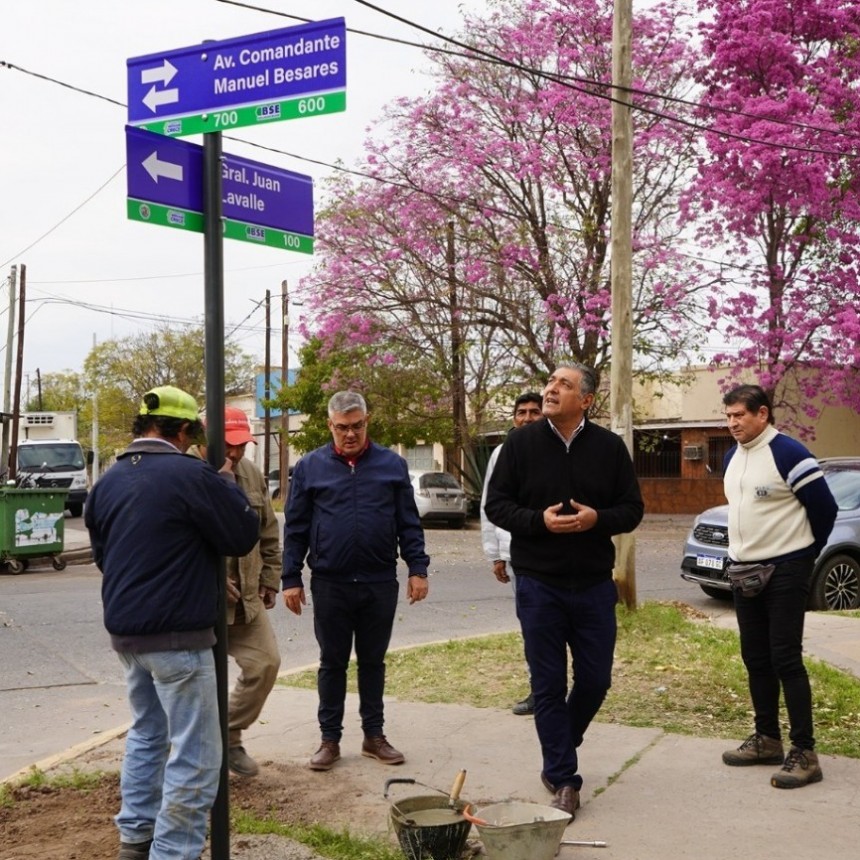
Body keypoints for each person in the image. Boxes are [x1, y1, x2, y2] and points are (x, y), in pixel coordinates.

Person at [85, 386, 260, 860]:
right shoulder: (191, 474)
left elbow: (110, 556)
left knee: (147, 735)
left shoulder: (110, 479)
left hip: (128, 636)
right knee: (198, 759)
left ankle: (135, 841)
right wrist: (224, 481)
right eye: (191, 436)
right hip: (178, 641)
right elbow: (241, 535)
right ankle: (172, 854)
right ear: (183, 431)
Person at [485, 363, 644, 819]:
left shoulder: (609, 448)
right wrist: (540, 522)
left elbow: (632, 509)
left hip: (594, 584)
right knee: (548, 684)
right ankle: (564, 777)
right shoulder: (520, 443)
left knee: (596, 679)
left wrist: (599, 519)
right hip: (539, 584)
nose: (551, 390)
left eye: (564, 385)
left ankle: (560, 739)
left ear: (586, 400)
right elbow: (497, 504)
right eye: (551, 382)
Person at [282, 390, 430, 772]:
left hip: (379, 581)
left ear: (368, 422)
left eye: (358, 426)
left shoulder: (391, 466)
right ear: (330, 425)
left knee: (373, 662)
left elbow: (408, 522)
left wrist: (417, 569)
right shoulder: (310, 467)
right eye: (343, 427)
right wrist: (291, 577)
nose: (351, 434)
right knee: (332, 663)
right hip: (330, 583)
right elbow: (296, 528)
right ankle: (329, 739)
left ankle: (373, 736)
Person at [719, 384, 837, 789]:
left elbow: (825, 509)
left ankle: (805, 753)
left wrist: (804, 555)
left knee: (785, 657)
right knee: (755, 657)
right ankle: (767, 739)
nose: (733, 423)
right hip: (743, 571)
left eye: (740, 415)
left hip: (787, 568)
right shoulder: (732, 456)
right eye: (729, 416)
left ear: (763, 414)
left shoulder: (789, 453)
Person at [189, 406, 282, 778]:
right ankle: (195, 757)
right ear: (205, 440)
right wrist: (206, 578)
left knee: (265, 664)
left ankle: (228, 734)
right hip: (200, 603)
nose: (236, 453)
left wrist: (270, 576)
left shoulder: (250, 473)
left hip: (244, 600)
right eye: (229, 445)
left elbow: (268, 531)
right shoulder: (187, 472)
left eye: (241, 445)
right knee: (196, 685)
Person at [480, 391, 543, 715]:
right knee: (532, 625)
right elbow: (489, 505)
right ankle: (540, 690)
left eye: (535, 411)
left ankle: (557, 689)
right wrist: (495, 554)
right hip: (517, 557)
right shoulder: (502, 454)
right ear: (514, 417)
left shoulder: (555, 450)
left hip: (557, 558)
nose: (528, 417)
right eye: (522, 412)